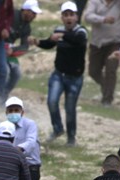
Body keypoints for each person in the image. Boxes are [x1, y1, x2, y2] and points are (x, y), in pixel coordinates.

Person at [35, 1, 88, 146]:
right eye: (65, 15)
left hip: (75, 78)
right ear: (62, 18)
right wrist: (38, 42)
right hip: (58, 74)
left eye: (71, 14)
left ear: (76, 17)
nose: (69, 18)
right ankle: (58, 129)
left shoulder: (81, 32)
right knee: (52, 101)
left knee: (70, 109)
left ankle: (71, 138)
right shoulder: (59, 30)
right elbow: (50, 43)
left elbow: (78, 41)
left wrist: (61, 36)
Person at [0, 0, 40, 98]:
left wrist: (13, 50)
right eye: (33, 13)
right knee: (5, 70)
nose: (34, 16)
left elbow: (25, 46)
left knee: (16, 73)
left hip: (8, 50)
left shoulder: (27, 27)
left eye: (35, 14)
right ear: (25, 10)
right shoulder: (11, 16)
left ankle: (2, 95)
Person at [84, 0, 120, 106]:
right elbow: (88, 16)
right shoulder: (95, 2)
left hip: (114, 43)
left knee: (111, 70)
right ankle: (105, 86)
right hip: (97, 43)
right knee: (93, 71)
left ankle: (107, 99)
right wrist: (103, 19)